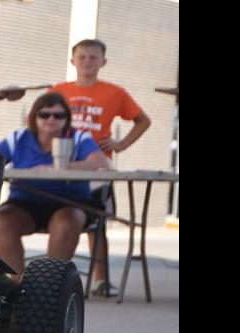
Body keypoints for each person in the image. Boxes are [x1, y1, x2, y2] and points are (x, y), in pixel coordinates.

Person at [49, 39, 151, 297]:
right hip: (63, 165)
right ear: (72, 60)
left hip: (97, 167)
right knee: (56, 214)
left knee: (97, 221)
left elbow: (143, 120)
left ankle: (101, 279)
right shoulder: (58, 90)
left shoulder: (115, 93)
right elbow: (42, 121)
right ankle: (48, 276)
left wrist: (120, 144)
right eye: (82, 57)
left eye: (93, 57)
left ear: (103, 62)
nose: (87, 62)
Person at [0, 91, 111, 280]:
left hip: (70, 201)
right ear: (34, 116)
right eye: (44, 114)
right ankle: (16, 285)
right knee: (1, 221)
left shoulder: (79, 137)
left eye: (59, 115)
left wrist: (58, 168)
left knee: (66, 224)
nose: (51, 119)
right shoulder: (18, 137)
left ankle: (49, 284)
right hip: (24, 202)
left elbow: (101, 162)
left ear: (67, 118)